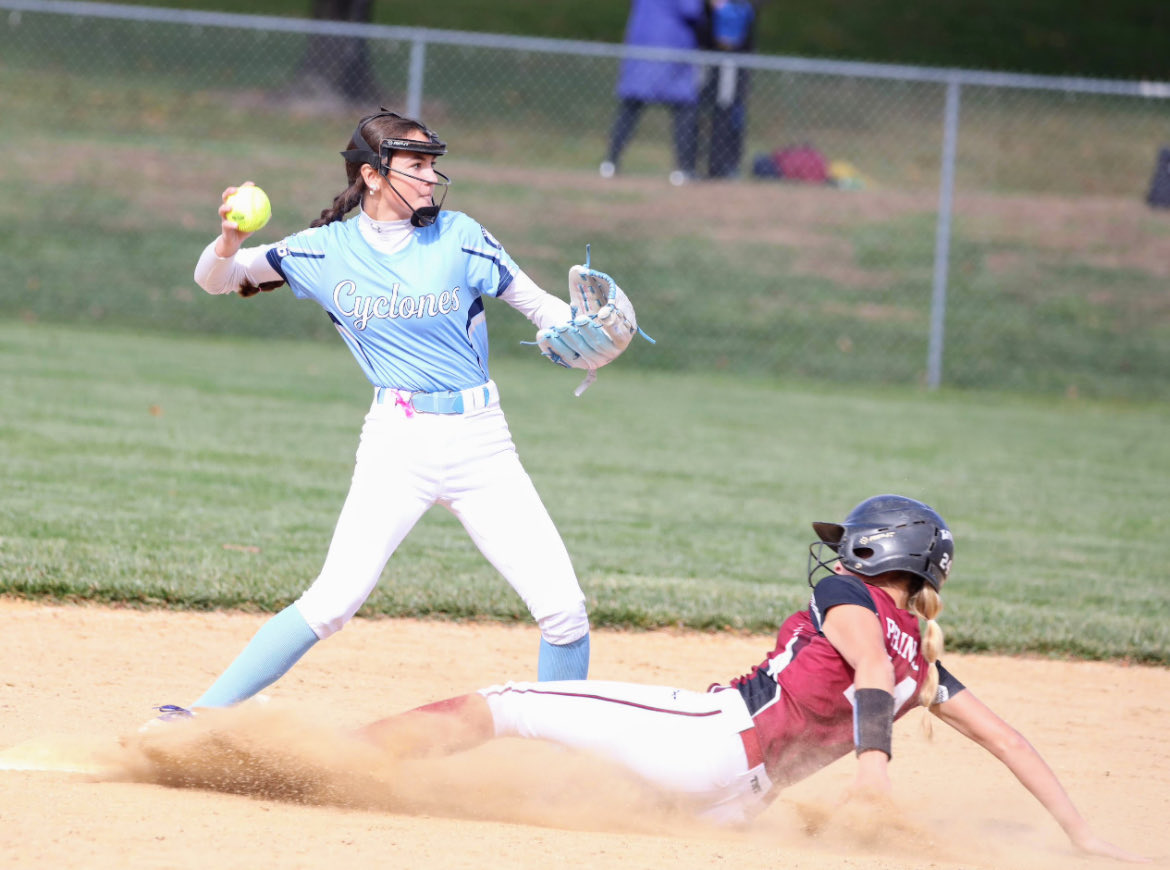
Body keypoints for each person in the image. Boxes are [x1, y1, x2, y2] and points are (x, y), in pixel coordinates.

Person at [353, 495, 1147, 860]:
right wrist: (1081, 836)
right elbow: (1007, 739)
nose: (839, 555)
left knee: (509, 705)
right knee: (571, 787)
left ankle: (343, 757)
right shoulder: (925, 661)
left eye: (853, 544)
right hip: (739, 807)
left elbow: (866, 669)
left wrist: (873, 781)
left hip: (714, 741)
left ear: (879, 556)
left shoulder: (850, 597)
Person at [168, 108, 622, 718]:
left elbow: (542, 308)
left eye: (433, 165)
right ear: (372, 175)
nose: (430, 177)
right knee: (330, 603)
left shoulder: (460, 234)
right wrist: (229, 239)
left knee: (564, 611)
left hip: (481, 443)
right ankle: (191, 718)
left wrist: (587, 329)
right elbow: (215, 280)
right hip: (396, 445)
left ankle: (557, 753)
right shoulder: (323, 251)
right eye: (415, 165)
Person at [600, 0, 706, 185]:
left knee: (630, 107)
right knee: (684, 108)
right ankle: (683, 169)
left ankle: (610, 162)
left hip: (640, 46)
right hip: (673, 50)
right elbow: (691, 11)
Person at [697, 0, 763, 179]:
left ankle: (723, 166)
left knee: (728, 114)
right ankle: (700, 163)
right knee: (704, 112)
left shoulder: (745, 7)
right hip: (711, 59)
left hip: (735, 61)